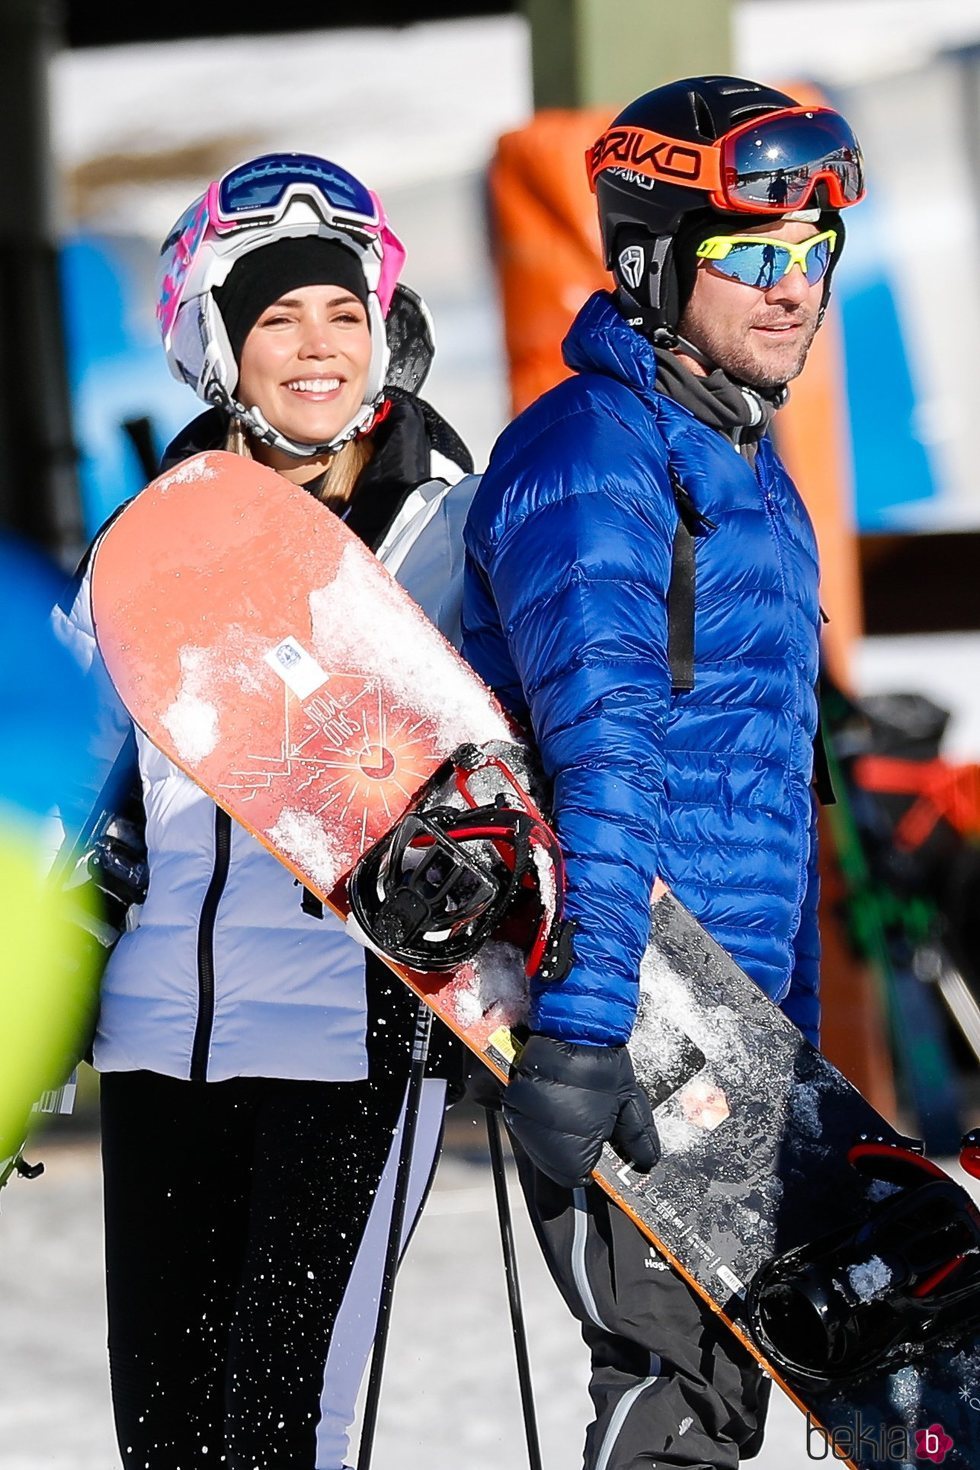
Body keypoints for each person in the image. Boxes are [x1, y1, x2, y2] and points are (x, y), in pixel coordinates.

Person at [462, 76, 865, 1469]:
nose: (791, 289)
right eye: (753, 256)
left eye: (812, 255)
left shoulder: (756, 466)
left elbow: (774, 798)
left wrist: (800, 1045)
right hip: (625, 1006)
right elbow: (602, 748)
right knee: (671, 1399)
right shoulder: (590, 451)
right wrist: (578, 1028)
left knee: (726, 1402)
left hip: (736, 1017)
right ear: (651, 256)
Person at [53, 151, 474, 1470]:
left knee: (284, 1434)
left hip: (349, 1042)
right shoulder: (145, 541)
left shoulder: (455, 538)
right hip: (156, 1034)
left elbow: (517, 783)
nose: (316, 344)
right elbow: (69, 797)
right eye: (279, 314)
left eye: (344, 311)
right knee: (165, 1439)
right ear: (215, 341)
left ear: (386, 333)